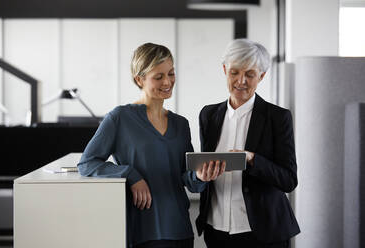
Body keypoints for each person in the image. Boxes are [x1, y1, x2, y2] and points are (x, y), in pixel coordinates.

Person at [77, 43, 224, 248]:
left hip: (180, 228)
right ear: (140, 79)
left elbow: (187, 177)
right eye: (159, 76)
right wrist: (130, 174)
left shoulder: (180, 124)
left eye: (171, 73)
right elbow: (87, 163)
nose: (167, 82)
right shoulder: (119, 118)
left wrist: (201, 176)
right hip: (144, 229)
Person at [195, 39, 300, 248]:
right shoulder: (208, 115)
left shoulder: (277, 117)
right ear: (225, 70)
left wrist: (252, 160)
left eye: (250, 74)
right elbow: (205, 170)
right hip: (217, 230)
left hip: (262, 233)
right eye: (234, 72)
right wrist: (201, 175)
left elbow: (288, 180)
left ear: (261, 76)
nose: (241, 81)